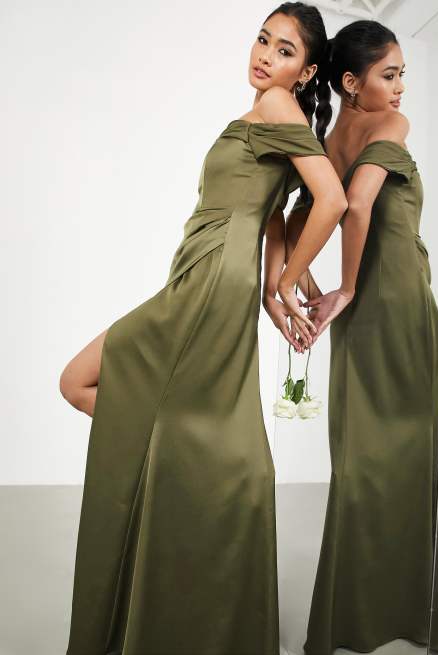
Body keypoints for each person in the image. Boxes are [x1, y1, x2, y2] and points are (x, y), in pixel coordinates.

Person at [58, 3, 347, 653]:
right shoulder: (273, 114)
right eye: (262, 40)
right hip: (215, 272)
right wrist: (274, 288)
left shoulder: (276, 104)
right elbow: (275, 212)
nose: (264, 56)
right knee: (182, 415)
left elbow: (328, 199)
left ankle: (188, 499)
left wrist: (283, 281)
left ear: (305, 72)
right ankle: (191, 504)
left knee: (77, 382)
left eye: (284, 51)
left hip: (212, 278)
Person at [282, 20, 438, 654]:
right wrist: (344, 288)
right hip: (396, 298)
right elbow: (359, 206)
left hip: (367, 310)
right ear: (350, 81)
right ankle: (417, 605)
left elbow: (296, 221)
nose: (399, 89)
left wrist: (306, 284)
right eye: (389, 75)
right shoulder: (390, 125)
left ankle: (366, 610)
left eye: (402, 76)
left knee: (367, 450)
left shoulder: (328, 142)